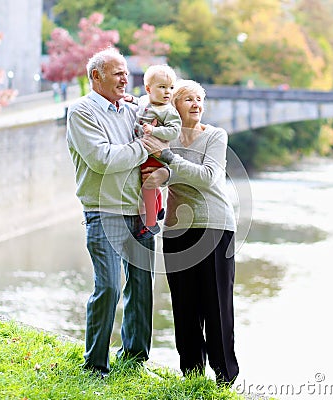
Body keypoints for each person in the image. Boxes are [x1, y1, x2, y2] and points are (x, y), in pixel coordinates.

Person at [66, 47, 164, 377]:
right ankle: (95, 365)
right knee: (107, 286)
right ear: (96, 76)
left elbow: (164, 137)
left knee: (141, 284)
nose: (126, 78)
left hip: (139, 210)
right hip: (103, 210)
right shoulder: (81, 112)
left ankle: (135, 358)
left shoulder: (133, 111)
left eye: (126, 72)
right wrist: (143, 147)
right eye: (117, 72)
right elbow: (103, 160)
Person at [141, 79, 239, 385]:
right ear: (174, 106)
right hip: (176, 228)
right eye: (188, 100)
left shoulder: (215, 136)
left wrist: (168, 163)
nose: (196, 104)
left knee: (217, 305)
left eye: (200, 99)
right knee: (183, 305)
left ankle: (225, 377)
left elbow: (208, 177)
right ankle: (192, 374)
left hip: (215, 226)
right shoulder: (163, 137)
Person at [125, 64, 181, 239]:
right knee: (149, 182)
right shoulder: (144, 100)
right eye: (162, 87)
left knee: (148, 185)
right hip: (145, 151)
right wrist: (131, 99)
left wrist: (154, 131)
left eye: (171, 88)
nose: (167, 92)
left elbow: (174, 131)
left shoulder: (169, 111)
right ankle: (159, 208)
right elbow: (139, 103)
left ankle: (150, 224)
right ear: (148, 89)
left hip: (156, 153)